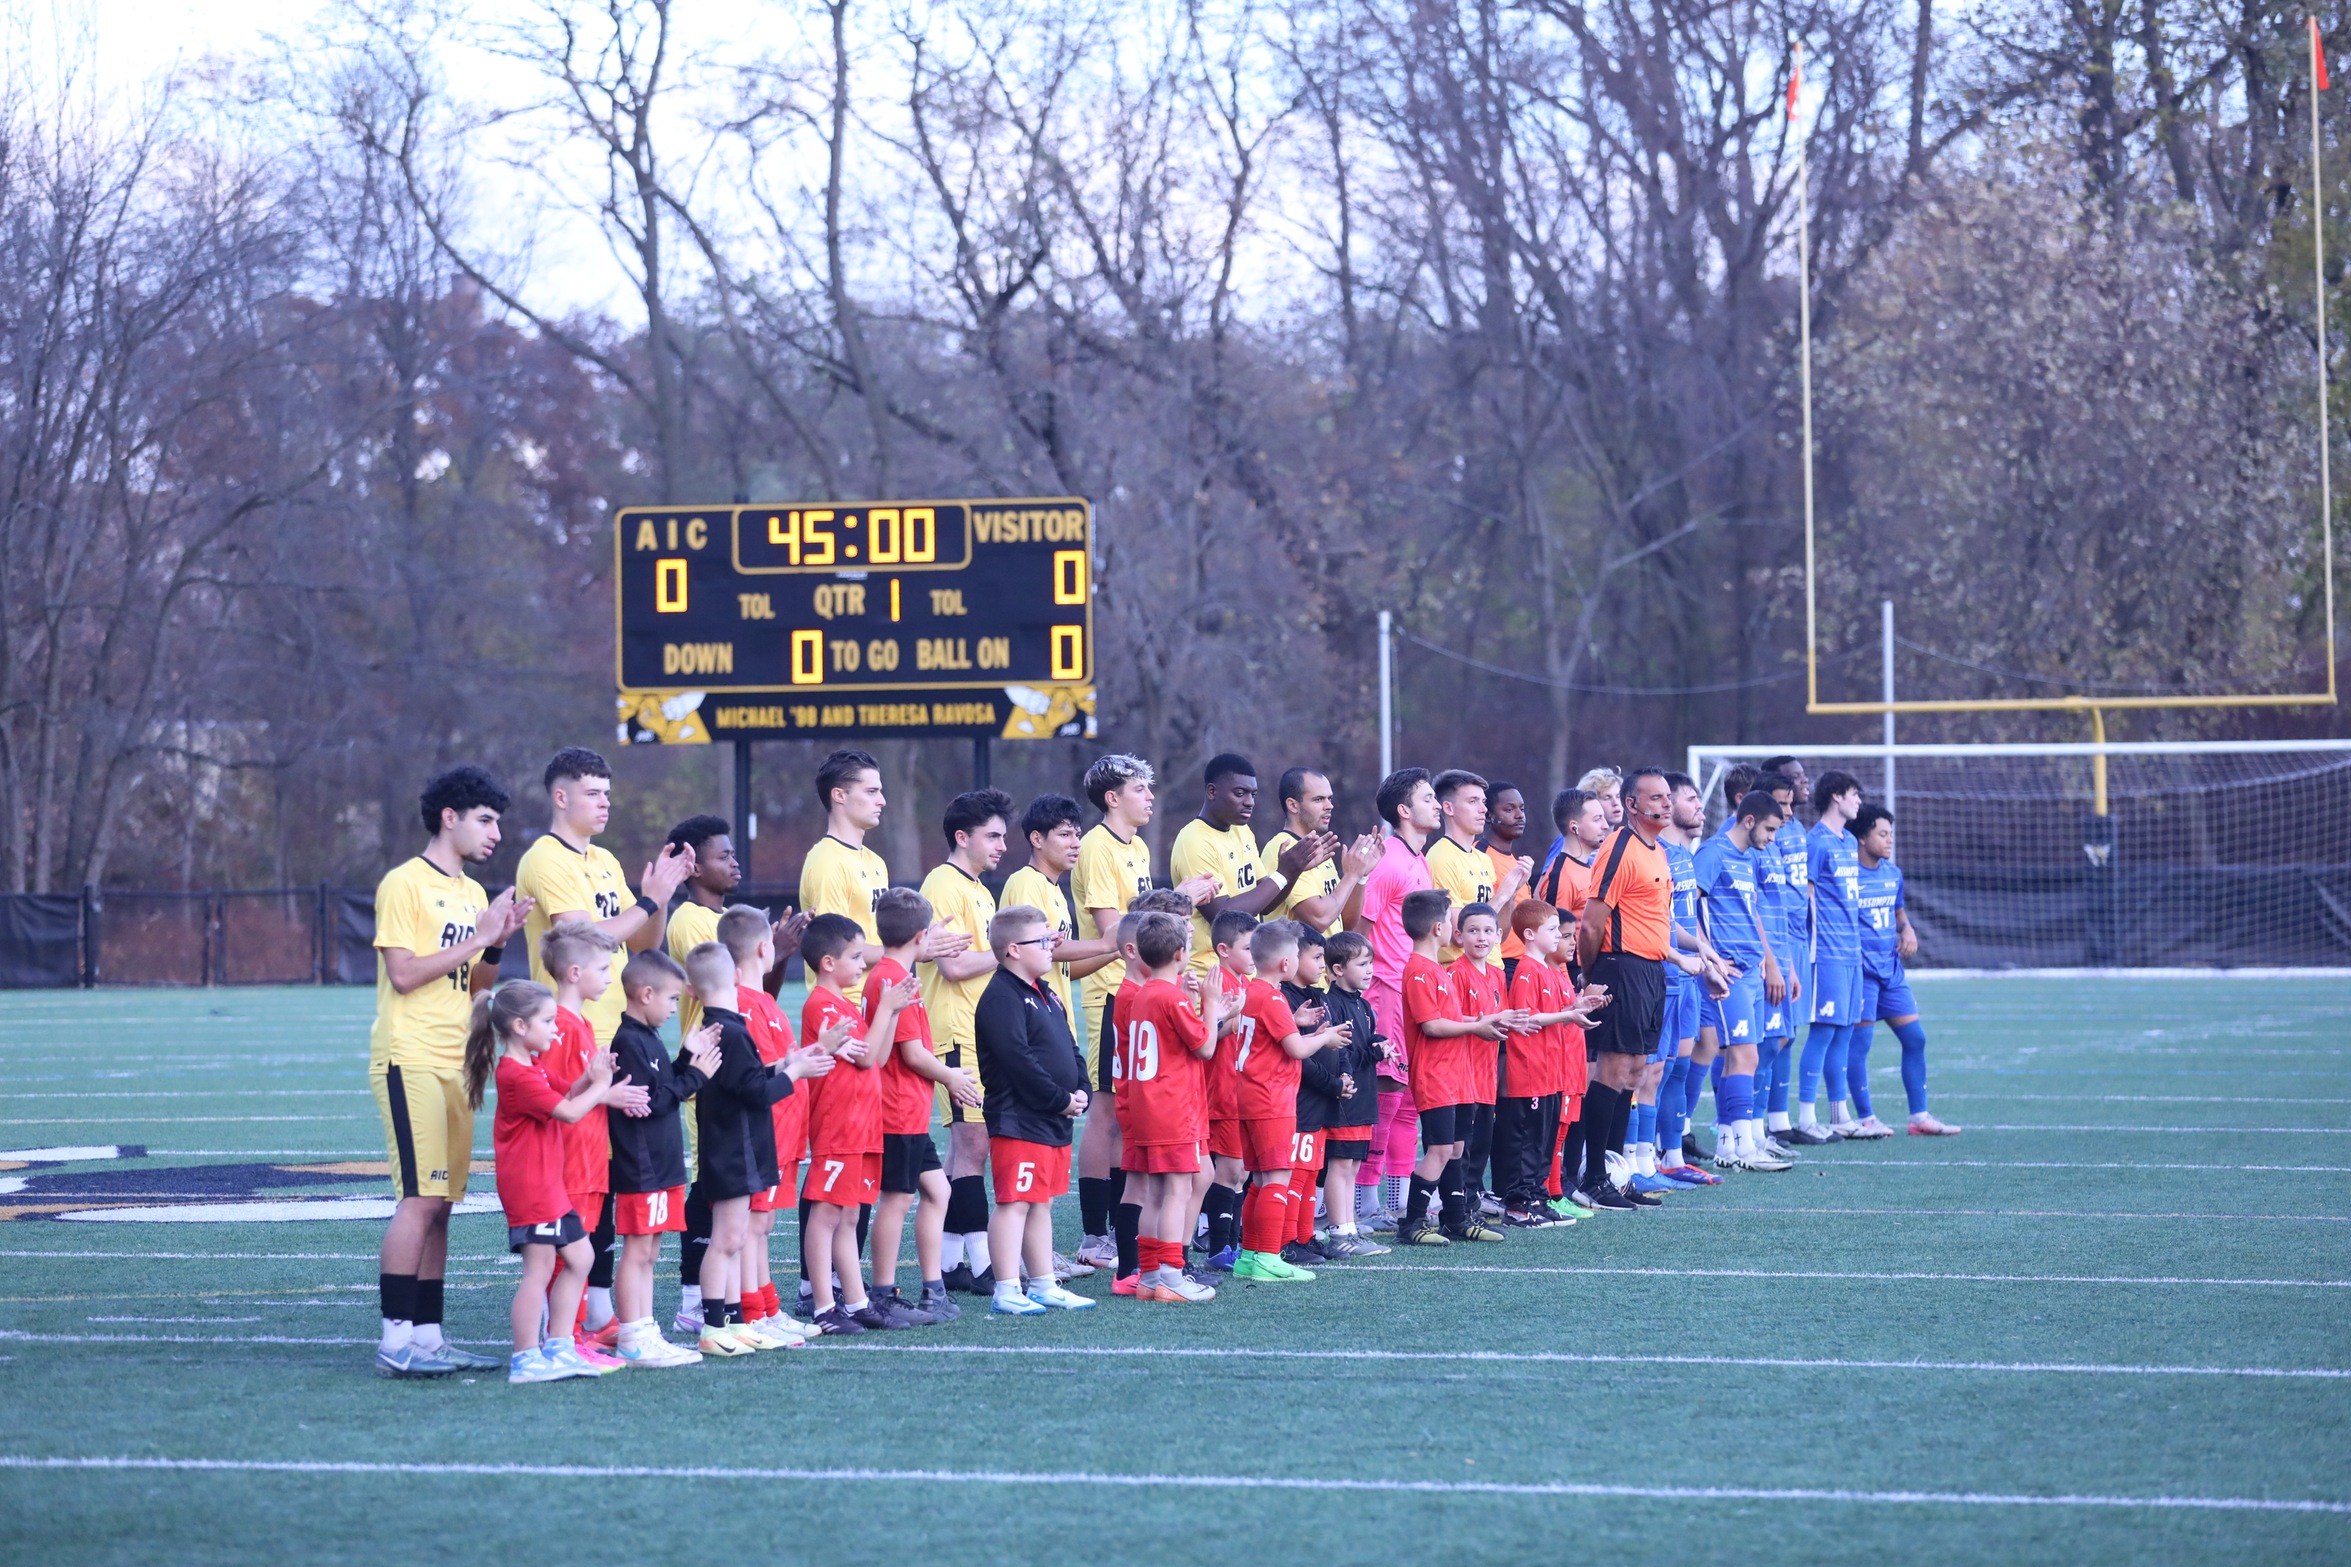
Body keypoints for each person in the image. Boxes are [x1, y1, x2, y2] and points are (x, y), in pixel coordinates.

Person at [370, 765, 532, 1379]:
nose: (495, 834)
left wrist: (495, 942)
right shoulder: (404, 883)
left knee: (443, 1207)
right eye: (486, 820)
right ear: (450, 818)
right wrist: (478, 937)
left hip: (457, 1061)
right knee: (420, 1198)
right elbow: (405, 974)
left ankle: (429, 1338)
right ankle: (394, 1340)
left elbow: (476, 987)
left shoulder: (472, 894)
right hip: (410, 1055)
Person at [465, 980, 646, 1384]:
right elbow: (567, 1111)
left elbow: (567, 1089)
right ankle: (526, 1357)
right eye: (547, 1021)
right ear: (519, 1027)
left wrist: (593, 1077)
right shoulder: (515, 1073)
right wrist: (600, 1089)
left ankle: (560, 1346)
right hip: (531, 1187)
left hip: (548, 1184)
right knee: (539, 1267)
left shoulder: (532, 1065)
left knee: (580, 1258)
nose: (554, 1028)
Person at [689, 940, 836, 1353]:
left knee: (734, 1239)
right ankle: (715, 1326)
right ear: (736, 977)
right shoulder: (731, 1029)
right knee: (726, 1240)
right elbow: (755, 1093)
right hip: (733, 1148)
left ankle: (733, 1321)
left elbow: (744, 1078)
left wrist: (788, 1063)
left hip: (736, 1146)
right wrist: (797, 1073)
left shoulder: (723, 1025)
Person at [1072, 755, 1185, 1284]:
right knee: (1108, 1110)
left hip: (1139, 988)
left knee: (1130, 1114)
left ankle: (1129, 1226)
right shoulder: (1097, 847)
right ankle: (1096, 1231)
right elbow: (1117, 934)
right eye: (1140, 788)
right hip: (1108, 991)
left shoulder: (1136, 845)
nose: (1149, 797)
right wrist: (1182, 902)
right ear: (1112, 797)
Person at [1004, 793, 1121, 1268]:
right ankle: (1028, 1257)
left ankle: (1042, 1250)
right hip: (1030, 1023)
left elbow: (1066, 966)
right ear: (1037, 839)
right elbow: (1037, 952)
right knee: (1033, 1142)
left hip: (1056, 1017)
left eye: (1077, 833)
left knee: (1053, 1141)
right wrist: (1110, 939)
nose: (1075, 842)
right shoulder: (1025, 884)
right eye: (1065, 834)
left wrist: (1117, 950)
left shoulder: (1054, 889)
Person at [517, 747, 694, 1046]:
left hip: (620, 1024)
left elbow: (643, 943)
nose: (605, 803)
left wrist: (661, 896)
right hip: (572, 1028)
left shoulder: (605, 859)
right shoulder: (544, 858)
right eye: (593, 794)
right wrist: (648, 902)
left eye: (607, 794)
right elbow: (581, 941)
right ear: (561, 798)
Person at [866, 886, 982, 1324]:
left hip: (909, 1109)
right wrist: (952, 1076)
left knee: (938, 1190)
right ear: (920, 937)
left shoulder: (890, 970)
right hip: (895, 1109)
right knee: (896, 1200)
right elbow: (910, 1053)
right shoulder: (893, 977)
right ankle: (882, 1293)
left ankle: (932, 1289)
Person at [795, 916, 915, 1334]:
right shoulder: (821, 1005)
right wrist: (884, 1006)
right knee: (827, 1216)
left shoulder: (843, 1003)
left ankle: (857, 1301)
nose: (863, 964)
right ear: (828, 962)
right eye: (855, 956)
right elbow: (864, 1057)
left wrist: (893, 1011)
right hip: (838, 1126)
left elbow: (878, 1057)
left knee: (848, 1219)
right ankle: (823, 1306)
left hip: (863, 1125)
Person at [975, 905, 1096, 1315]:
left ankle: (1044, 1283)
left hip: (1050, 1117)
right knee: (1015, 1202)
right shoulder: (1001, 996)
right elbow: (1017, 1059)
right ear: (1012, 950)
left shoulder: (1047, 992)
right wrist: (1059, 1099)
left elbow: (1070, 1048)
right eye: (1041, 941)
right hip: (1019, 1118)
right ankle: (1007, 1287)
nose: (1051, 947)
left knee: (1040, 1200)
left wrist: (1081, 1089)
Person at [919, 788, 1016, 1289]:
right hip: (954, 1027)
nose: (1002, 845)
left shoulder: (980, 889)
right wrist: (1012, 953)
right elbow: (953, 966)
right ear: (963, 837)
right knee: (973, 1141)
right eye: (992, 836)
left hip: (978, 1026)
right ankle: (982, 1262)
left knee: (968, 1147)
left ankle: (954, 1259)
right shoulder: (943, 882)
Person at [606, 949, 719, 1367]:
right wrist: (696, 1075)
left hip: (662, 1163)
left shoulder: (647, 1036)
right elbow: (651, 1103)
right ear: (646, 993)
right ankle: (633, 1335)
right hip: (643, 1165)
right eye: (672, 999)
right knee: (638, 1252)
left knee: (650, 1252)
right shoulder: (629, 1040)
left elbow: (663, 1083)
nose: (676, 1008)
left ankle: (645, 1329)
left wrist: (688, 1057)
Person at [1115, 909, 1234, 1301]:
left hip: (1148, 1109)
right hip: (1173, 1110)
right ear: (1181, 953)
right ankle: (1170, 1275)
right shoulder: (1169, 996)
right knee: (1177, 1193)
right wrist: (1212, 1003)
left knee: (1155, 1194)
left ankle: (1150, 1276)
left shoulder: (1144, 993)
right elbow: (1204, 1047)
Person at [1575, 767, 1678, 1211]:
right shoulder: (1620, 847)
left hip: (1651, 971)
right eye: (1655, 797)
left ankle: (1614, 1174)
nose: (1666, 803)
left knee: (1635, 1071)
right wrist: (1590, 970)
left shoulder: (1658, 851)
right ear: (1632, 806)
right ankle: (1592, 1177)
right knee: (1614, 1070)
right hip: (1621, 967)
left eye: (1667, 796)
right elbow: (1592, 920)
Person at [1427, 771, 1529, 1215]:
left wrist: (1503, 901)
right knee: (1464, 1095)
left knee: (1486, 1093)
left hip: (1493, 975)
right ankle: (1453, 1196)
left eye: (1483, 800)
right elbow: (1453, 935)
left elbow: (1497, 932)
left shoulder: (1483, 860)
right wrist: (1506, 891)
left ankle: (1472, 1191)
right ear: (1448, 807)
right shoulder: (1441, 857)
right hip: (1459, 978)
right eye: (1473, 800)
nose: (1483, 808)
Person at [714, 905, 814, 1345]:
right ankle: (754, 1313)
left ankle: (766, 1307)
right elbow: (758, 1075)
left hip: (785, 1135)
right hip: (763, 1135)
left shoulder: (765, 1001)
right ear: (761, 948)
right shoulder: (742, 1005)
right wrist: (798, 1064)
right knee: (753, 1226)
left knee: (764, 1226)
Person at [1230, 919, 1350, 1280]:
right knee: (1277, 1178)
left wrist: (1294, 1021)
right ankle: (1268, 1256)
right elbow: (1296, 1050)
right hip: (1272, 1099)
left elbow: (1267, 1033)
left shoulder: (1251, 991)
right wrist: (1324, 1037)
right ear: (1286, 964)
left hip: (1248, 1096)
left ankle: (1249, 1255)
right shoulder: (1273, 997)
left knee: (1259, 1179)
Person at [1398, 889, 1518, 1245]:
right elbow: (1432, 1025)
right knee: (1438, 1150)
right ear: (1440, 928)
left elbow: (1452, 1018)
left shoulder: (1435, 969)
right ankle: (1413, 1223)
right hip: (1435, 1075)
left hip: (1455, 1074)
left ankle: (1456, 1218)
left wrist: (1490, 1021)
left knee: (1456, 1149)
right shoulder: (1419, 971)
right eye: (1452, 920)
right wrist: (1476, 1027)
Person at [537, 923, 627, 1365]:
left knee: (583, 1249)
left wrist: (602, 1082)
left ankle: (571, 1338)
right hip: (570, 1157)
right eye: (603, 968)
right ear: (574, 973)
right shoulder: (559, 1024)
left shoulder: (582, 1022)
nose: (611, 977)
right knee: (567, 1254)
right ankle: (562, 1339)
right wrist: (606, 1090)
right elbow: (555, 1094)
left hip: (592, 1156)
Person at [1693, 791, 1794, 1173]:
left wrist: (1770, 962)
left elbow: (1753, 914)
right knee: (1742, 1055)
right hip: (1728, 971)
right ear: (1748, 820)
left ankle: (1729, 1142)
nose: (1771, 839)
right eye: (1769, 829)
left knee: (1746, 1054)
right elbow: (1688, 908)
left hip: (1751, 969)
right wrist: (1708, 958)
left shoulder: (1750, 858)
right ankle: (1743, 1145)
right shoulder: (1712, 853)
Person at [1357, 767, 1437, 1226]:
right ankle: (1364, 1202)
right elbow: (1362, 933)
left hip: (1413, 992)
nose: (1435, 804)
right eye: (1427, 797)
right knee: (1386, 1097)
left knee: (1408, 1101)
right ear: (1404, 811)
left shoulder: (1418, 858)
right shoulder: (1388, 860)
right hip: (1386, 991)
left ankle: (1397, 1200)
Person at [1172, 754, 1333, 981]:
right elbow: (1223, 918)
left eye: (1253, 794)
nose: (1250, 801)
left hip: (1245, 973)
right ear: (1212, 791)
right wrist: (1283, 873)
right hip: (1207, 976)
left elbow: (1265, 904)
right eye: (1240, 793)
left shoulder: (1242, 831)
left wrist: (1293, 872)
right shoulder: (1194, 840)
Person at [1852, 804, 1961, 1137]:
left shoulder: (1892, 874)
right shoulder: (1847, 875)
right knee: (1860, 1046)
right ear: (1862, 837)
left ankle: (1919, 1117)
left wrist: (1908, 930)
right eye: (1882, 834)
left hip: (1892, 971)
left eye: (1891, 834)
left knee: (1915, 1038)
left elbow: (1899, 914)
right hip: (1862, 973)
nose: (1889, 841)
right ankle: (1865, 1117)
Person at [1496, 901, 1601, 1225]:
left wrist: (1578, 1005)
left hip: (1549, 1072)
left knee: (1541, 1142)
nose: (1560, 936)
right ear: (1529, 934)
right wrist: (1570, 1013)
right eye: (1553, 930)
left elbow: (1556, 1012)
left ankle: (1537, 1197)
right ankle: (1519, 1203)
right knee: (1528, 1141)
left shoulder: (1547, 970)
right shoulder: (1527, 970)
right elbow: (1528, 1016)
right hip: (1531, 1072)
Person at [1799, 770, 1867, 1137]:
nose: (1859, 801)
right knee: (1823, 1032)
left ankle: (1839, 1116)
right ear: (1837, 796)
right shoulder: (1817, 842)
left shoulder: (1848, 842)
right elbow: (1806, 897)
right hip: (1826, 952)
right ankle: (1807, 1118)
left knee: (1844, 1032)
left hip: (1851, 951)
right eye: (1854, 794)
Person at [1316, 932, 1389, 1254]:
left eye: (1370, 962)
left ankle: (1349, 1227)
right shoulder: (1331, 1004)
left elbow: (1360, 1049)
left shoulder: (1362, 1004)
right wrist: (1373, 1052)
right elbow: (1341, 1058)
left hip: (1363, 1098)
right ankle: (1340, 1233)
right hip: (1344, 1101)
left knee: (1353, 1165)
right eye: (1362, 964)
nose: (1370, 969)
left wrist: (1377, 1045)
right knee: (1341, 1164)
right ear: (1337, 969)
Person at [1198, 907, 1262, 1270]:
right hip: (1221, 1090)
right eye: (1249, 948)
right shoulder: (1217, 982)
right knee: (1230, 1170)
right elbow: (1205, 1035)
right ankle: (1217, 1247)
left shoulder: (1245, 983)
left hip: (1243, 1090)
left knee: (1241, 1172)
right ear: (1224, 950)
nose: (1254, 956)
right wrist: (1233, 1015)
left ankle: (1233, 1244)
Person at [1444, 900, 1514, 1220]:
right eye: (1473, 931)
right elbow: (1453, 1021)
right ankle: (1457, 1204)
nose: (1481, 937)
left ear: (1499, 935)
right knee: (1464, 1143)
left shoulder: (1498, 975)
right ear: (1459, 936)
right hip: (1464, 1074)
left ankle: (1472, 1196)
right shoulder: (1455, 974)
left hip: (1486, 1074)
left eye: (1487, 930)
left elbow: (1501, 1018)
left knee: (1483, 1138)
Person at [1261, 767, 1380, 934]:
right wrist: (1351, 875)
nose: (1329, 806)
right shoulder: (1285, 849)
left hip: (1329, 959)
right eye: (1318, 799)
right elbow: (1320, 919)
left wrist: (1360, 875)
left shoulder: (1317, 849)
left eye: (1330, 799)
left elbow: (1346, 921)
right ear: (1293, 805)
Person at [1481, 782, 1533, 978]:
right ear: (1489, 816)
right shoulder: (1481, 856)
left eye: (1522, 808)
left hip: (1525, 963)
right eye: (1509, 809)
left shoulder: (1515, 862)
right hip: (1498, 962)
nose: (1519, 815)